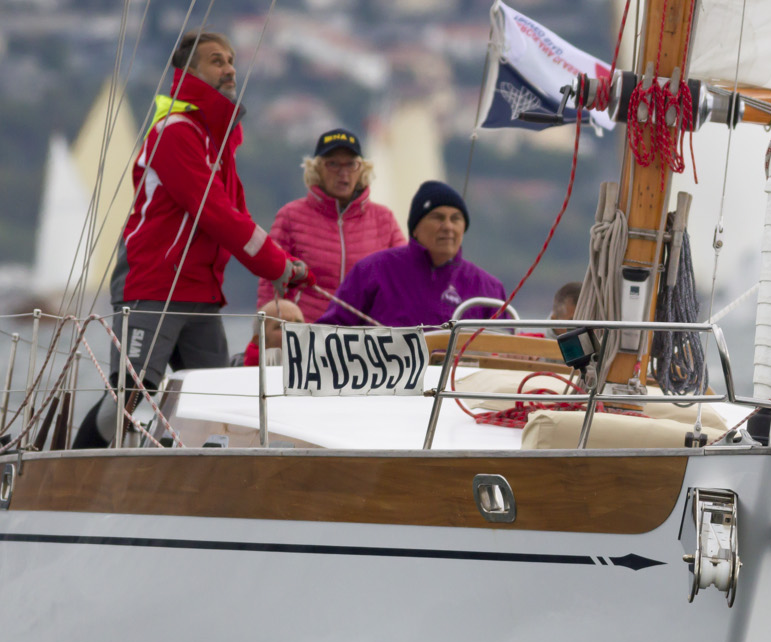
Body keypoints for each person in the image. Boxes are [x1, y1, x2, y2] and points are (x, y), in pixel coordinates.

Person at [75, 29, 310, 447]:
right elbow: (214, 212)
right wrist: (277, 265)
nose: (230, 68)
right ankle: (73, 470)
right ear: (190, 73)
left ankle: (190, 475)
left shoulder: (219, 143)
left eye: (231, 60)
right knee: (131, 395)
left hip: (201, 290)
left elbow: (237, 215)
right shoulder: (174, 132)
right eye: (217, 61)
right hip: (153, 285)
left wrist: (283, 264)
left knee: (216, 402)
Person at [242, 128, 405, 365]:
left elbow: (403, 280)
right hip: (307, 343)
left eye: (351, 164)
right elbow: (271, 282)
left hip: (367, 346)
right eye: (333, 164)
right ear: (317, 169)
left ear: (362, 169)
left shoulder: (384, 219)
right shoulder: (290, 216)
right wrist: (265, 340)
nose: (343, 172)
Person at [317, 180, 509, 328]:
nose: (448, 227)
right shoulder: (371, 271)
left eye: (456, 219)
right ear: (415, 229)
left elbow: (506, 348)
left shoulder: (489, 288)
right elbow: (329, 331)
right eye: (438, 217)